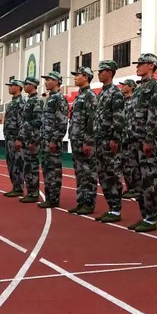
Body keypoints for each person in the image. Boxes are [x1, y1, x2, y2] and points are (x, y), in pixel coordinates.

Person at [126, 53, 157, 233]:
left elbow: (155, 115)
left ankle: (151, 218)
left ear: (151, 65)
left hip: (146, 141)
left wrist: (149, 139)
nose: (137, 66)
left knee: (149, 179)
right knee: (138, 180)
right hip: (134, 140)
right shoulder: (139, 89)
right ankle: (144, 216)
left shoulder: (155, 87)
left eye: (141, 63)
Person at [94, 60, 126, 223]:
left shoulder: (115, 93)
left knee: (112, 175)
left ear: (110, 72)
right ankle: (111, 208)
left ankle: (116, 209)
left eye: (102, 71)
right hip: (100, 141)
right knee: (103, 175)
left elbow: (119, 117)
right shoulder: (102, 93)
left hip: (109, 141)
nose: (99, 73)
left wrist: (115, 138)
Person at [68, 67, 98, 215]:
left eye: (77, 75)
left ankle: (88, 203)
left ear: (85, 77)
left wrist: (88, 141)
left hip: (84, 141)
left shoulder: (90, 96)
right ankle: (81, 201)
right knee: (80, 172)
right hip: (76, 140)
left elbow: (92, 120)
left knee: (88, 172)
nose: (75, 77)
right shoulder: (80, 96)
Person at [38, 71, 69, 209]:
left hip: (52, 141)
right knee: (47, 169)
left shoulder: (59, 99)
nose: (46, 82)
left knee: (53, 170)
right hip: (45, 140)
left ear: (56, 82)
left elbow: (62, 121)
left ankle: (54, 198)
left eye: (49, 80)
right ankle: (50, 197)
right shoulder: (50, 98)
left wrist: (55, 140)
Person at [19, 77, 44, 204]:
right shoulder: (29, 100)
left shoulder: (37, 101)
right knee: (27, 166)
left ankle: (33, 193)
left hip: (32, 139)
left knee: (32, 166)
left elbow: (38, 122)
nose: (24, 86)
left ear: (33, 86)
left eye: (26, 84)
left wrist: (34, 141)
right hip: (26, 138)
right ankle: (30, 191)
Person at [3, 79, 25, 196]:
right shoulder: (12, 102)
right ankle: (15, 186)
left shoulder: (21, 102)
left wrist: (19, 138)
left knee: (17, 163)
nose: (9, 88)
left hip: (16, 138)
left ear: (18, 87)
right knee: (11, 163)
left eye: (11, 86)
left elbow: (22, 122)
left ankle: (19, 187)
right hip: (9, 137)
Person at [119, 79, 140, 199]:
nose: (122, 87)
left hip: (132, 137)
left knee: (133, 163)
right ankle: (129, 187)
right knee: (124, 164)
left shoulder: (135, 101)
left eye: (124, 85)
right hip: (122, 137)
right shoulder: (121, 101)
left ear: (131, 87)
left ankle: (136, 188)